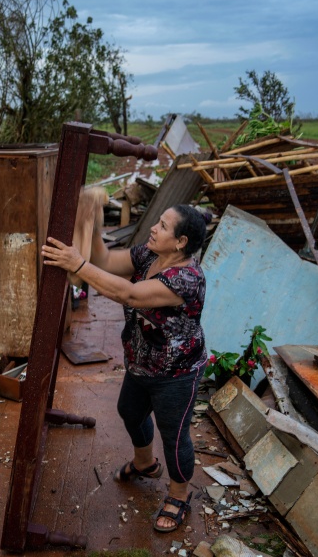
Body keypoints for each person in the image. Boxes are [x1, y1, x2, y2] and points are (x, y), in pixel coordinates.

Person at [41, 203, 208, 534]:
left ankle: (178, 495)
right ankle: (145, 464)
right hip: (141, 362)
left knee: (174, 437)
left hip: (177, 372)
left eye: (163, 226)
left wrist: (77, 263)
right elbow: (104, 262)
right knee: (130, 411)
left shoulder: (187, 278)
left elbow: (130, 294)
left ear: (180, 242)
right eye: (157, 222)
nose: (154, 228)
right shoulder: (148, 256)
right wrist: (92, 222)